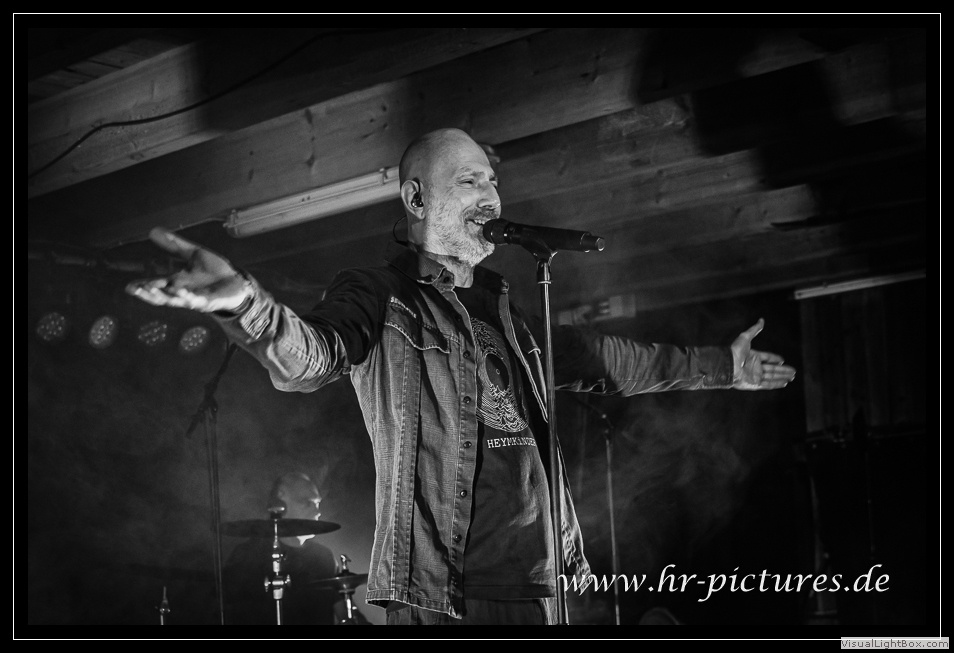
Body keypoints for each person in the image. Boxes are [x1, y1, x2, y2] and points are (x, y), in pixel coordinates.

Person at [127, 127, 797, 625]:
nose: (491, 194)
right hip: (447, 594)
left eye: (493, 181)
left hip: (543, 586)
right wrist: (241, 302)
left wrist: (723, 367)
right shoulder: (382, 296)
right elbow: (311, 356)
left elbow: (610, 361)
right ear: (416, 197)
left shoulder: (509, 310)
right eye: (470, 180)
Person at [222, 471, 368, 625]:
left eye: (318, 504)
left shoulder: (323, 556)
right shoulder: (248, 555)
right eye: (307, 503)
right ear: (280, 501)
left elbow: (344, 610)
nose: (317, 512)